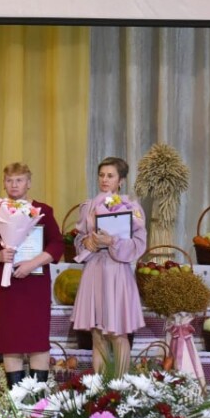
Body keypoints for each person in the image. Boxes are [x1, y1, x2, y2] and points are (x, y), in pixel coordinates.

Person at [0, 162, 64, 388]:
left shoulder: (43, 210)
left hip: (34, 285)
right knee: (11, 342)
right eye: (9, 180)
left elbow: (57, 245)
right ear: (3, 183)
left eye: (19, 180)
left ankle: (38, 401)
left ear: (28, 183)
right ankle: (16, 401)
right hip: (6, 287)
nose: (14, 185)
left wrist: (33, 263)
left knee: (37, 341)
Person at [72, 157, 147, 375]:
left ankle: (120, 386)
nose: (105, 180)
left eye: (110, 176)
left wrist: (112, 242)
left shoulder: (132, 208)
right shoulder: (88, 206)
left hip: (117, 271)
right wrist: (87, 243)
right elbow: (78, 240)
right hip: (95, 270)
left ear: (121, 180)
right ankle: (100, 387)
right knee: (97, 333)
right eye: (102, 175)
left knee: (118, 333)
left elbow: (138, 245)